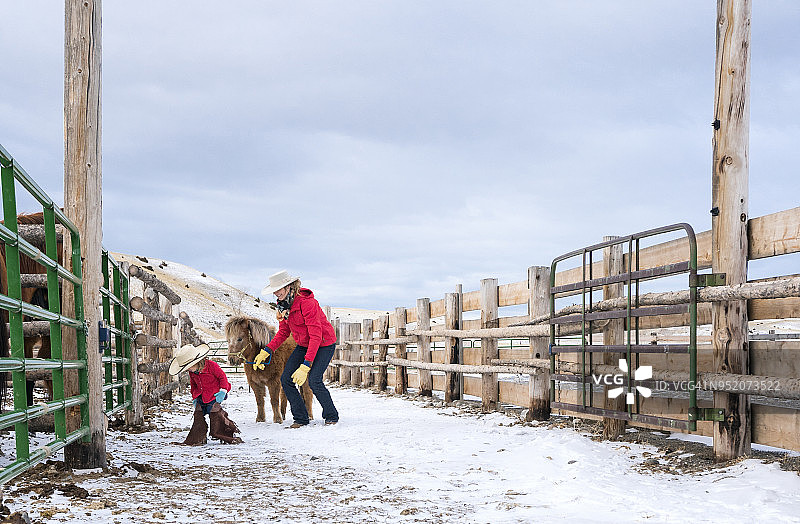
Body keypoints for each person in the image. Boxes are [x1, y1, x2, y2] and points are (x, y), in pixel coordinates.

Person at [254, 270, 339, 428]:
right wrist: (267, 350)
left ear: (289, 287)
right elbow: (283, 332)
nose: (276, 293)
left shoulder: (307, 303)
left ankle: (331, 415)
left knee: (314, 380)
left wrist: (305, 365)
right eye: (274, 290)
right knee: (286, 379)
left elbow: (315, 336)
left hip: (324, 343)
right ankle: (301, 418)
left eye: (279, 289)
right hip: (304, 344)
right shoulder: (282, 306)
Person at [169, 343, 243, 445]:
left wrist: (223, 391)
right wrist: (194, 397)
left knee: (216, 415)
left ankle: (227, 435)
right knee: (198, 415)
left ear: (197, 362)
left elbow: (222, 377)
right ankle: (198, 438)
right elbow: (193, 384)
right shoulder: (192, 372)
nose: (188, 369)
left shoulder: (211, 366)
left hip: (214, 395)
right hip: (201, 396)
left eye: (189, 366)